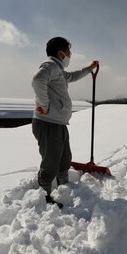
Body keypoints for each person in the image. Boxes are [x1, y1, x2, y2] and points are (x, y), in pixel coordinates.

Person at [32, 37, 98, 207]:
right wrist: (43, 105)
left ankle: (64, 188)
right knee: (51, 162)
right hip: (47, 124)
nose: (70, 55)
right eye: (69, 52)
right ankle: (44, 197)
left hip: (58, 123)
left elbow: (73, 76)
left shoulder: (59, 70)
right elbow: (38, 80)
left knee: (64, 159)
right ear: (61, 53)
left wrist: (89, 69)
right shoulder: (50, 66)